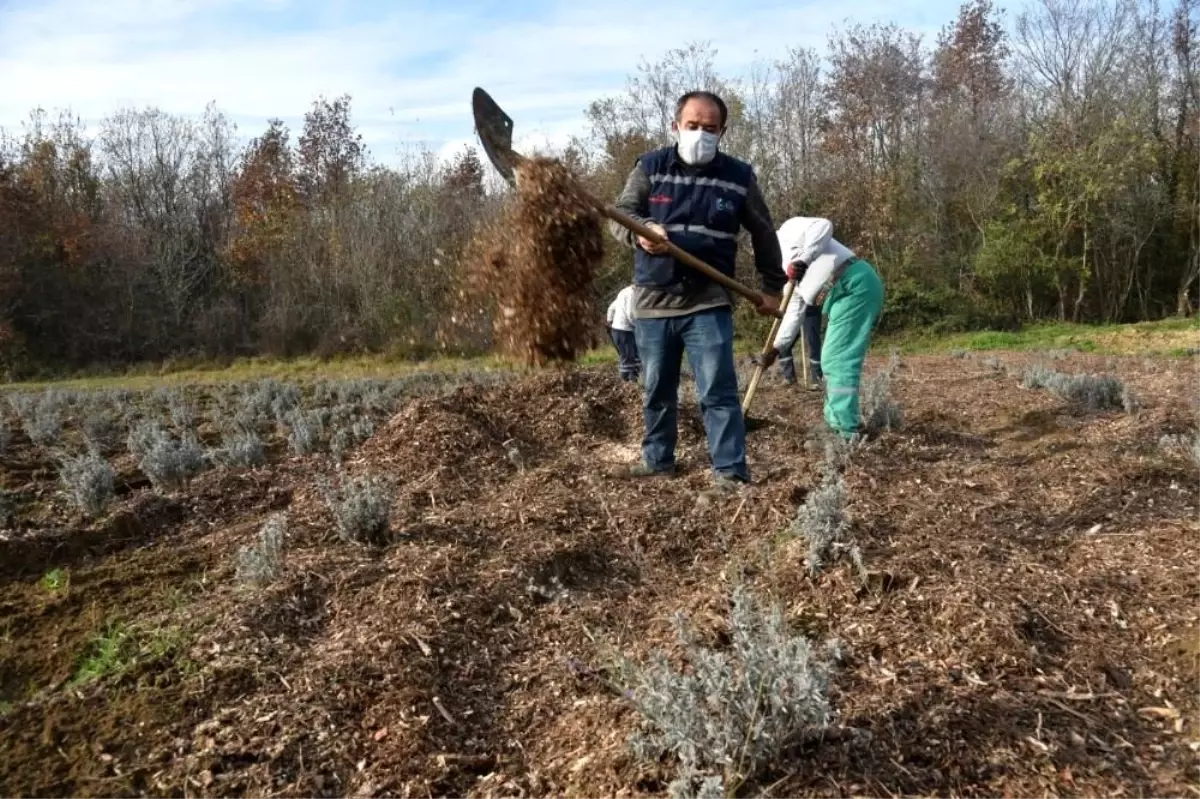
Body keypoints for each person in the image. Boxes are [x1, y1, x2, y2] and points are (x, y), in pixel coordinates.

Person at [608, 89, 784, 488]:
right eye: (693, 126)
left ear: (722, 131)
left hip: (709, 300)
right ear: (676, 126)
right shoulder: (651, 167)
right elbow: (621, 215)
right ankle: (658, 460)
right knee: (656, 388)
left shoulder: (739, 177)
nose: (701, 134)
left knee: (718, 390)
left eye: (710, 128)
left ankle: (730, 470)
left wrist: (771, 287)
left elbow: (763, 231)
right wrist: (642, 234)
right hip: (654, 300)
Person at [759, 216, 885, 440]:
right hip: (839, 296)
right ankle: (835, 423)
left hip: (853, 283)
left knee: (836, 359)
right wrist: (776, 349)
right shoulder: (781, 271)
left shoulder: (788, 230)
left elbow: (824, 225)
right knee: (832, 359)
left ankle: (845, 431)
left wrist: (804, 260)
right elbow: (793, 312)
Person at [772, 289, 824, 388]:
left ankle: (817, 379)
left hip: (811, 309)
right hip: (792, 309)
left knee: (813, 343)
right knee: (782, 343)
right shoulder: (786, 275)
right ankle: (789, 378)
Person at [605, 284, 640, 382]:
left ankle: (633, 381)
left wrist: (610, 321)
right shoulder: (632, 294)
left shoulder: (623, 291)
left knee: (631, 357)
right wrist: (640, 327)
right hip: (625, 331)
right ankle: (628, 383)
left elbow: (611, 308)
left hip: (618, 330)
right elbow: (630, 314)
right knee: (629, 359)